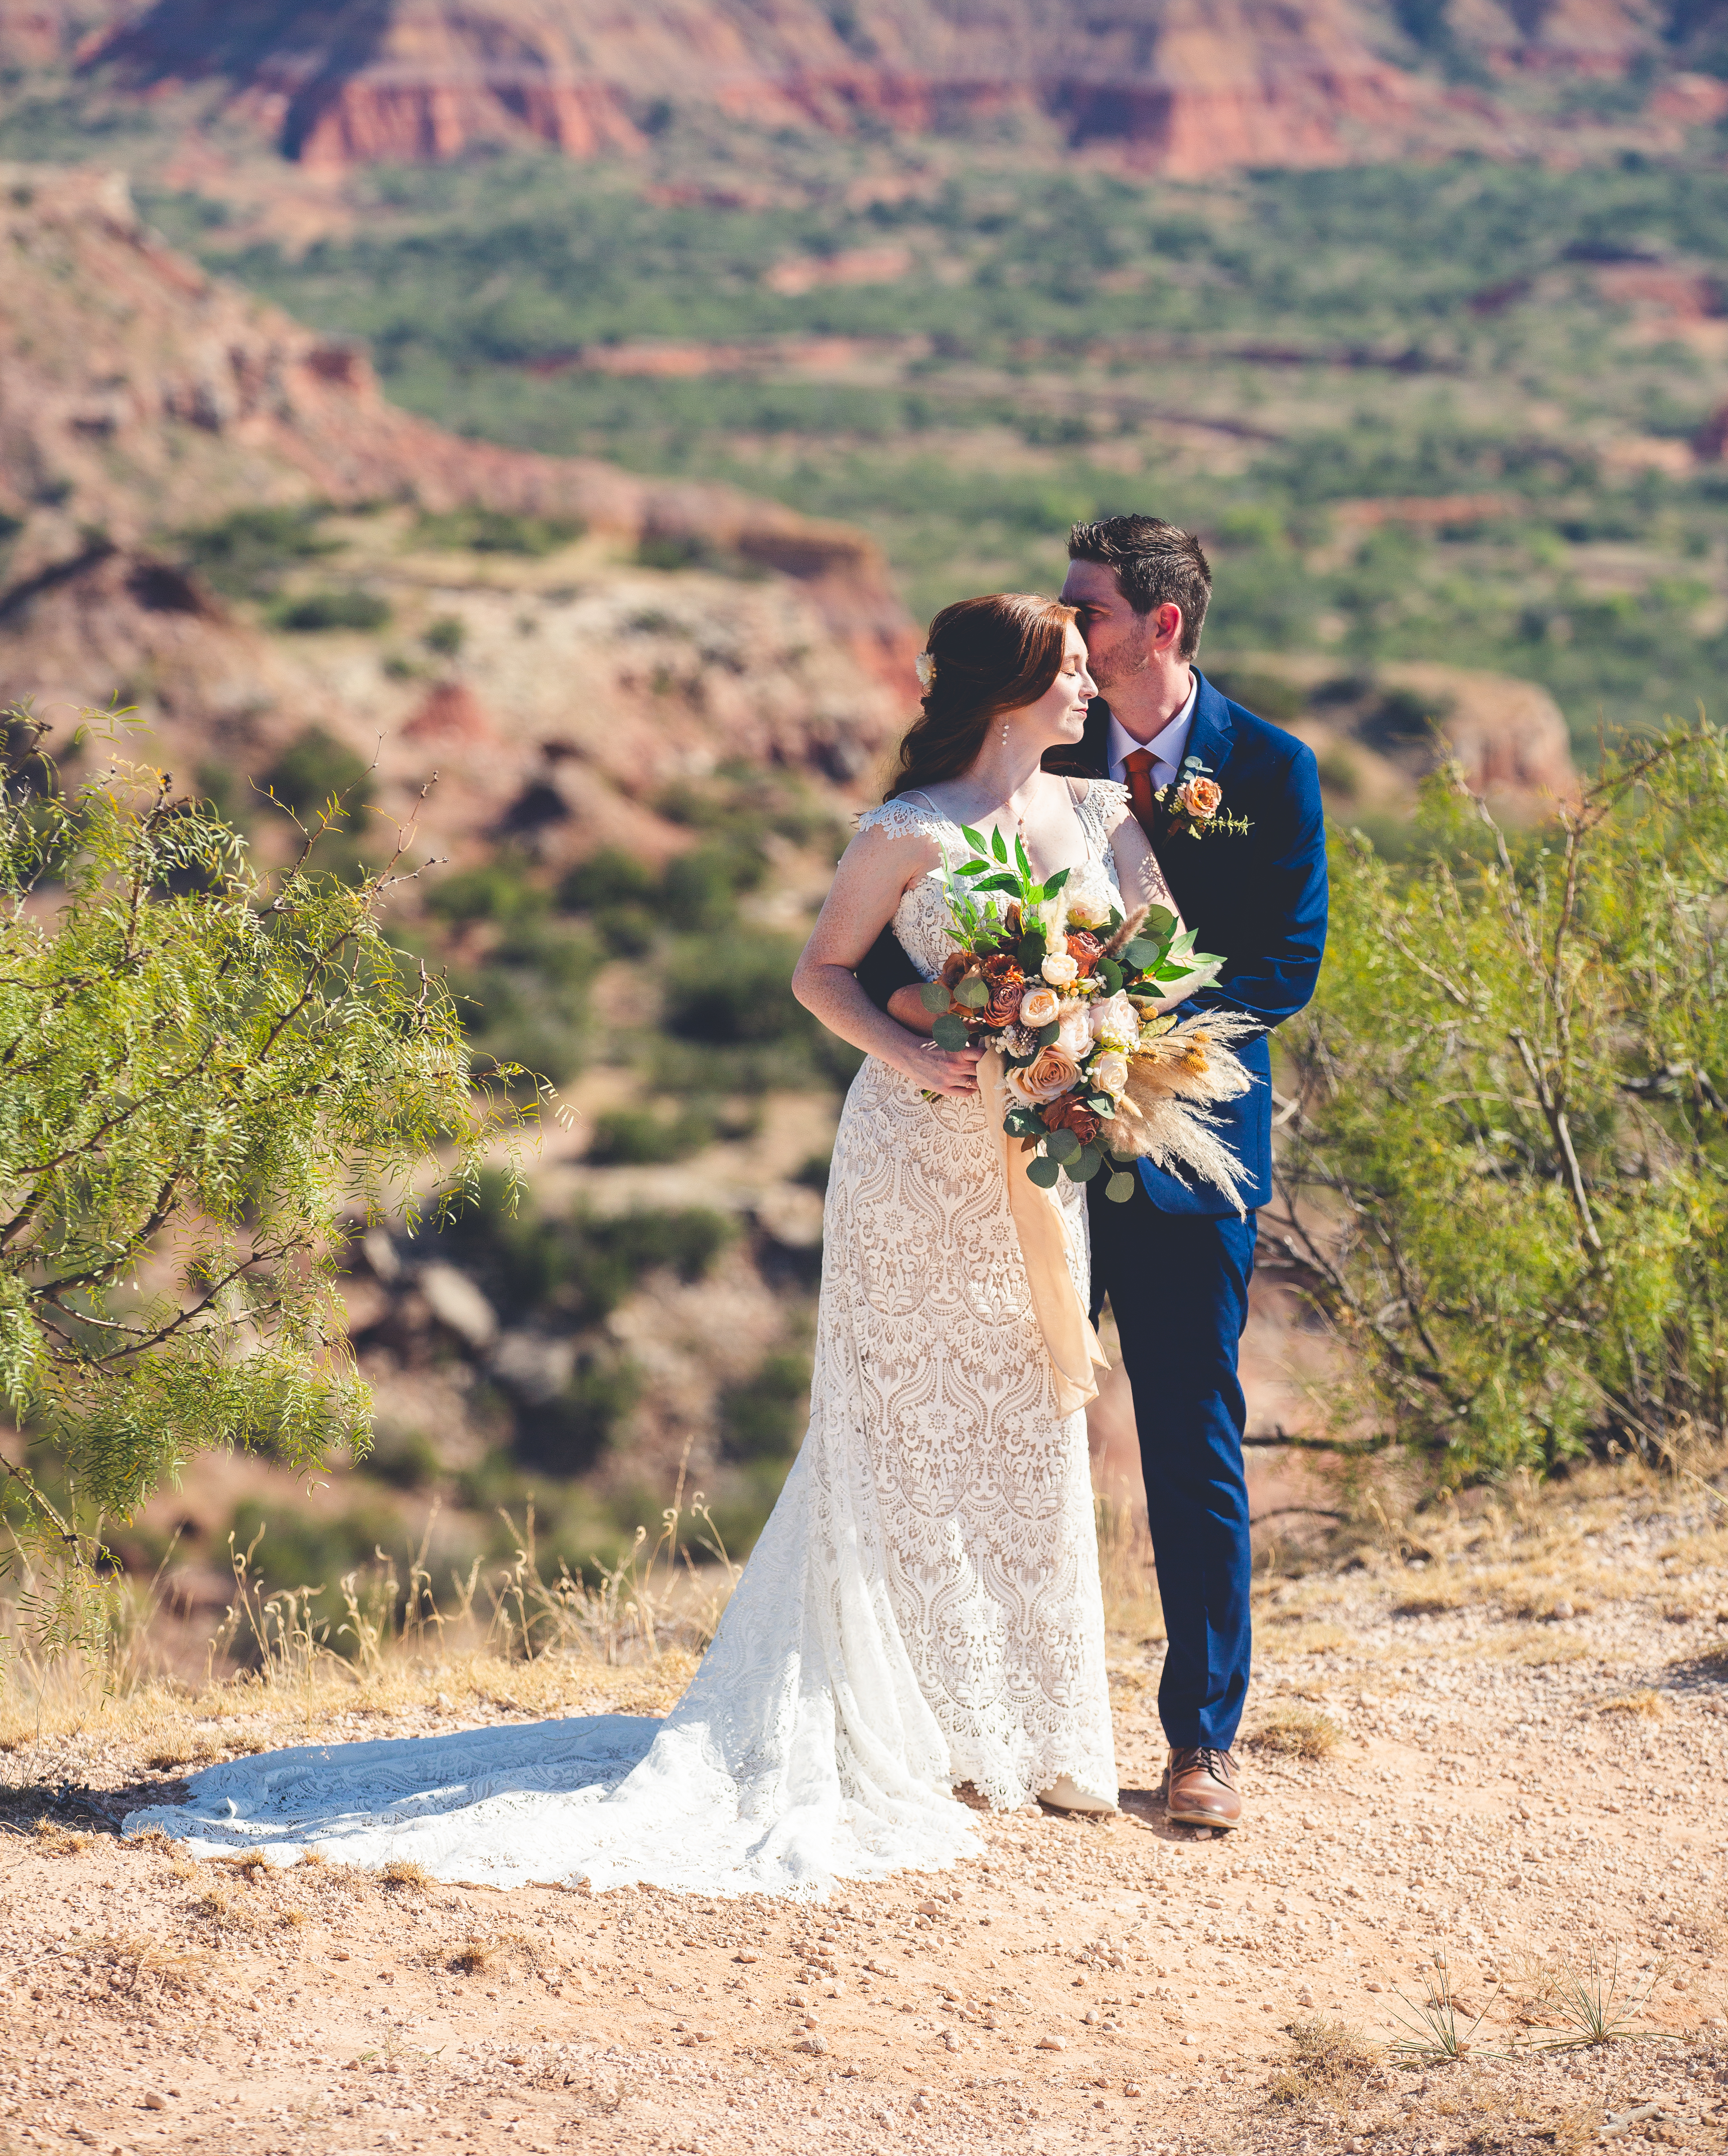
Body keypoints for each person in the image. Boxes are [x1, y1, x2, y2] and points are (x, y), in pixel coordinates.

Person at [127, 594, 1175, 1895]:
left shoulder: (1100, 816)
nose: (1092, 688)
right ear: (1007, 689)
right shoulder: (907, 832)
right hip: (914, 1164)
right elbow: (821, 974)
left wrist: (1098, 1043)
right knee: (898, 1426)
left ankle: (1027, 1732)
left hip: (1036, 1163)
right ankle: (893, 1723)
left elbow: (1154, 966)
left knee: (1024, 1414)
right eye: (1071, 671)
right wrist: (913, 1048)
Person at [858, 518, 1328, 1832]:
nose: (1071, 634)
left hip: (1181, 1160)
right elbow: (899, 944)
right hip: (1013, 1165)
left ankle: (1202, 1746)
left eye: (1091, 611)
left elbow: (1282, 974)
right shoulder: (1037, 755)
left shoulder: (1271, 770)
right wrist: (994, 1016)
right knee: (1003, 1430)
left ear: (1160, 628)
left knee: (1190, 1441)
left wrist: (1113, 1032)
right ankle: (978, 1722)